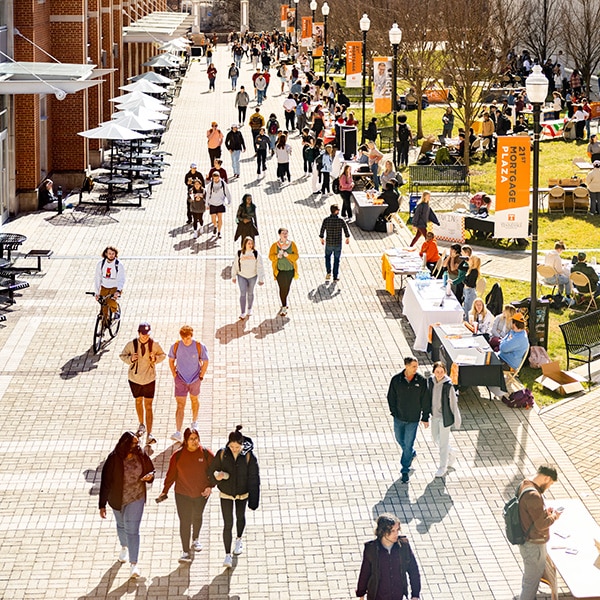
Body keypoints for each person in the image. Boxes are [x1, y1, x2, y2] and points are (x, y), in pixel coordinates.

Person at [99, 431, 155, 579]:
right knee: (121, 525)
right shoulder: (113, 459)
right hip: (117, 499)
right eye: (133, 443)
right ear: (125, 444)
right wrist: (102, 504)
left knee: (133, 530)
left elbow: (150, 468)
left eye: (137, 443)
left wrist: (149, 477)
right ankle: (124, 546)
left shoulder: (140, 453)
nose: (136, 446)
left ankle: (134, 564)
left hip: (136, 496)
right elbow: (105, 482)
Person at [156, 427, 215, 564]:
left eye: (196, 438)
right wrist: (165, 491)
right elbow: (171, 475)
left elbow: (216, 471)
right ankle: (185, 552)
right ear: (186, 440)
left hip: (201, 494)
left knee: (197, 515)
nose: (195, 441)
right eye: (191, 439)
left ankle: (195, 539)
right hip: (182, 494)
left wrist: (210, 486)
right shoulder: (178, 456)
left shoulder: (206, 453)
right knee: (185, 521)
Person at [210, 425, 260, 569]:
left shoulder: (250, 456)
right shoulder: (222, 453)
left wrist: (254, 500)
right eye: (232, 447)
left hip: (242, 493)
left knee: (240, 516)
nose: (234, 450)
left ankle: (238, 539)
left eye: (237, 447)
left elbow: (254, 478)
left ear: (242, 445)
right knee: (227, 523)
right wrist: (217, 477)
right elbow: (211, 470)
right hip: (225, 492)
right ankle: (227, 555)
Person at [516, 465, 560, 600]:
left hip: (526, 538)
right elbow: (541, 525)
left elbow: (531, 515)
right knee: (532, 581)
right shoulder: (534, 495)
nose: (549, 486)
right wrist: (553, 517)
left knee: (530, 577)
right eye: (550, 483)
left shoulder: (524, 484)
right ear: (546, 478)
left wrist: (544, 513)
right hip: (533, 544)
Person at [119, 323, 166, 445]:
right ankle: (141, 425)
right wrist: (130, 359)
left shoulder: (154, 344)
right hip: (135, 379)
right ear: (139, 333)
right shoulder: (132, 344)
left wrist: (155, 358)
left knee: (149, 406)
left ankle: (150, 433)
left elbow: (163, 355)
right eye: (143, 334)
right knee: (138, 401)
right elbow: (122, 355)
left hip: (149, 379)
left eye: (147, 334)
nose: (145, 336)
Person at [356, 513, 422, 600]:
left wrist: (415, 595)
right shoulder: (371, 549)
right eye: (392, 531)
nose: (396, 534)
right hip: (377, 597)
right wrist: (361, 594)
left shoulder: (403, 546)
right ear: (382, 532)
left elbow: (413, 571)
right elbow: (365, 572)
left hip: (397, 596)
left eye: (397, 530)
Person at [387, 357, 430, 484]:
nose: (416, 369)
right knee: (400, 440)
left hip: (413, 419)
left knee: (408, 443)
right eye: (413, 366)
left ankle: (405, 469)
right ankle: (411, 453)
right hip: (399, 417)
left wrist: (425, 417)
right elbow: (391, 396)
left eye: (416, 366)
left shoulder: (421, 381)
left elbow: (425, 399)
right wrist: (394, 412)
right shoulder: (396, 380)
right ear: (406, 366)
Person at [168, 325, 210, 443]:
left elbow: (205, 361)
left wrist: (201, 376)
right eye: (184, 338)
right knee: (180, 405)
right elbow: (171, 360)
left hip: (194, 379)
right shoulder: (176, 346)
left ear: (192, 336)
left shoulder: (199, 346)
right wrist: (174, 375)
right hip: (180, 379)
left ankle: (195, 422)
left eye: (188, 338)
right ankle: (178, 431)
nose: (186, 340)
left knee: (194, 400)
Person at [427, 362, 461, 478]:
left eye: (442, 372)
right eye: (437, 372)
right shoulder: (431, 381)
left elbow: (453, 403)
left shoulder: (448, 385)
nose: (439, 374)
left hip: (445, 417)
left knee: (443, 443)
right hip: (435, 415)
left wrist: (457, 419)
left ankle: (442, 467)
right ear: (433, 372)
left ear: (445, 372)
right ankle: (451, 452)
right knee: (435, 437)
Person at [232, 236, 265, 319]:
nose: (250, 245)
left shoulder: (256, 254)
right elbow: (235, 265)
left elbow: (260, 267)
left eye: (252, 243)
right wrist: (233, 276)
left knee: (250, 293)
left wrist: (261, 279)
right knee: (243, 293)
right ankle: (242, 312)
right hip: (241, 276)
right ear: (245, 244)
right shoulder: (240, 253)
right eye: (249, 243)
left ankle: (249, 309)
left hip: (252, 276)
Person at [268, 227, 299, 317]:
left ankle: (284, 301)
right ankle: (284, 305)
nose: (285, 235)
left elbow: (296, 256)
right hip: (280, 271)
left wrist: (288, 255)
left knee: (287, 287)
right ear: (279, 235)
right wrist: (277, 256)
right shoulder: (275, 245)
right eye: (283, 233)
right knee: (282, 288)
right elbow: (270, 257)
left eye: (286, 233)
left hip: (290, 270)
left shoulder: (292, 244)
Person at [94, 246, 126, 325]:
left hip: (114, 287)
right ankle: (103, 327)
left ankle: (116, 312)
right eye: (109, 254)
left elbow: (121, 279)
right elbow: (97, 278)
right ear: (106, 254)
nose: (111, 255)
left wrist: (118, 291)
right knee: (103, 305)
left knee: (111, 300)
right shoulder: (101, 264)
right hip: (104, 286)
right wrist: (96, 292)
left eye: (113, 254)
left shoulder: (118, 265)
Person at [319, 204, 350, 282]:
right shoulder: (340, 220)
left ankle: (328, 272)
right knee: (336, 260)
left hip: (329, 242)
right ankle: (335, 276)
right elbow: (345, 229)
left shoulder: (326, 220)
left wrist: (322, 238)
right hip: (337, 243)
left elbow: (322, 230)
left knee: (327, 257)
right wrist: (347, 238)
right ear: (336, 211)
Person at [206, 171, 231, 239]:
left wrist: (229, 201)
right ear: (213, 178)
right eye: (214, 179)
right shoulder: (210, 185)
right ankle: (215, 226)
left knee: (220, 218)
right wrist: (207, 204)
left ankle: (219, 232)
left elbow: (227, 193)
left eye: (217, 178)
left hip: (220, 203)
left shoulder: (223, 183)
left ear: (219, 177)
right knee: (213, 219)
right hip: (212, 203)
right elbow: (208, 194)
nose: (216, 180)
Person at [462, 254, 481, 319]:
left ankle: (467, 322)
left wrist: (464, 279)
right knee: (465, 307)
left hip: (470, 292)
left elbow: (470, 283)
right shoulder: (470, 270)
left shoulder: (474, 272)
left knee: (468, 309)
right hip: (467, 291)